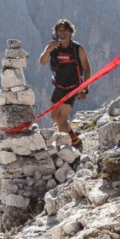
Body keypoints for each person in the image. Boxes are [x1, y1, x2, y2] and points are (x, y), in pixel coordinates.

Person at [39, 18, 92, 147]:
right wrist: (47, 50)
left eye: (65, 30)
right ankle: (74, 139)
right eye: (59, 31)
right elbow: (42, 61)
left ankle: (64, 147)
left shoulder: (78, 49)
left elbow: (87, 68)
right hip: (58, 87)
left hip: (72, 88)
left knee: (62, 118)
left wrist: (84, 90)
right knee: (55, 116)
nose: (62, 33)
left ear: (70, 32)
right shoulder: (53, 47)